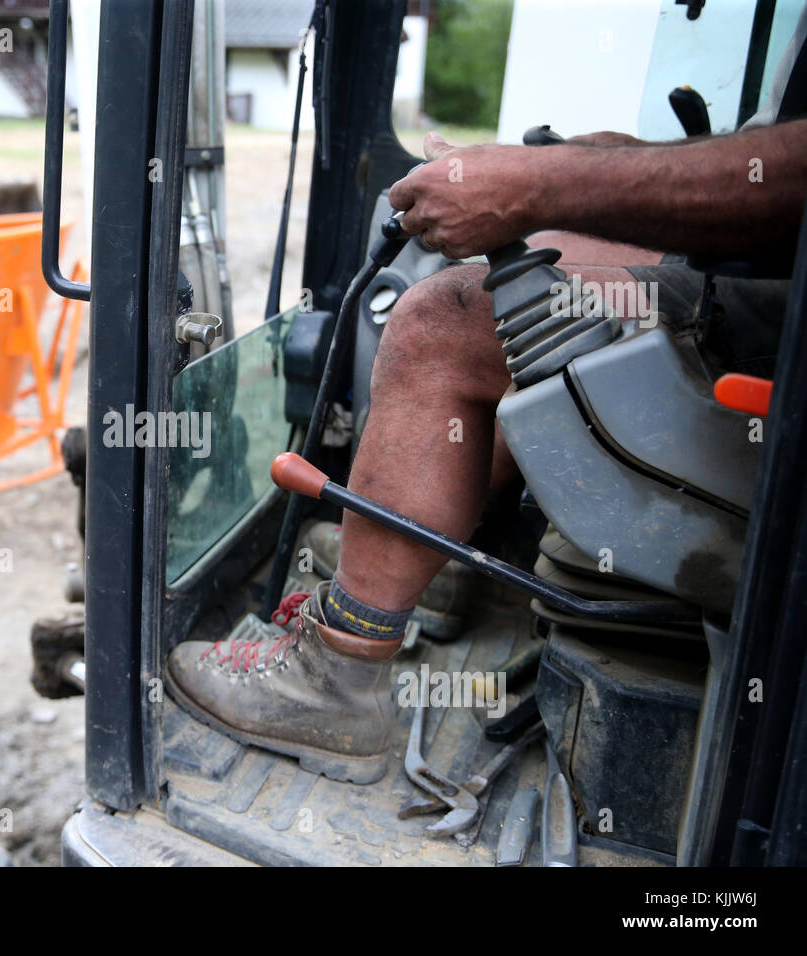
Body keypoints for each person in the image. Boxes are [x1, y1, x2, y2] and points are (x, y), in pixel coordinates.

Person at [164, 35, 807, 784]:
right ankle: (430, 562)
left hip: (776, 333)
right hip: (772, 292)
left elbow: (785, 184)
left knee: (442, 321)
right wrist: (587, 164)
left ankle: (338, 675)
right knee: (558, 237)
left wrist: (544, 183)